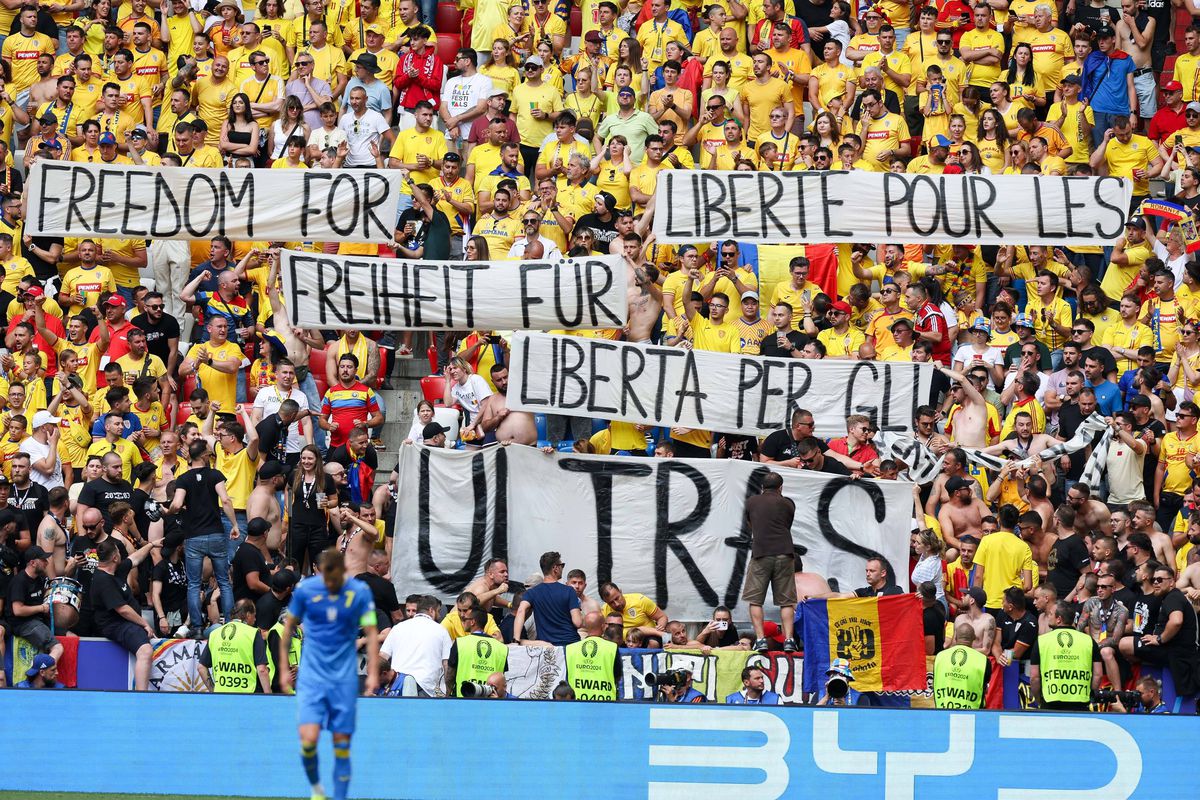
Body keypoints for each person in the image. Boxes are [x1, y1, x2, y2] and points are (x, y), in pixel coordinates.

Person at [279, 549, 378, 800]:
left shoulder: (359, 593)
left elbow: (372, 631)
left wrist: (374, 673)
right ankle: (316, 789)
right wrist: (282, 669)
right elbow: (288, 629)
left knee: (341, 744)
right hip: (312, 678)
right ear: (319, 572)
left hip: (343, 679)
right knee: (308, 740)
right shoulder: (305, 591)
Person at [91, 537, 158, 691]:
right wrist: (144, 623)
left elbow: (135, 558)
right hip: (117, 624)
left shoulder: (115, 570)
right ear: (115, 557)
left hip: (126, 622)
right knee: (145, 651)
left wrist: (152, 545)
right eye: (118, 552)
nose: (122, 555)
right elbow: (122, 609)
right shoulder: (103, 580)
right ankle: (141, 695)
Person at [742, 471, 798, 652]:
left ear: (762, 487)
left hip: (761, 553)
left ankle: (760, 640)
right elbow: (786, 525)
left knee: (755, 600)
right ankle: (789, 640)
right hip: (785, 552)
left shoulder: (752, 502)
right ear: (781, 487)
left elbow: (751, 524)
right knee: (786, 602)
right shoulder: (788, 504)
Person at [1030, 601, 1102, 710]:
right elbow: (1098, 675)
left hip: (1050, 702)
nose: (1048, 617)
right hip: (1081, 703)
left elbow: (1034, 678)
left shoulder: (1041, 641)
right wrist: (1089, 696)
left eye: (1050, 614)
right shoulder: (1089, 641)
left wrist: (1039, 700)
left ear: (1059, 619)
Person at [378, 593, 450, 698]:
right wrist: (446, 691)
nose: (439, 616)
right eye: (438, 611)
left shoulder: (398, 627)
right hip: (426, 689)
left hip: (397, 687)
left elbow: (382, 657)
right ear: (431, 610)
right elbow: (446, 664)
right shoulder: (441, 630)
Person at [198, 598, 271, 693]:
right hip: (248, 696)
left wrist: (213, 690)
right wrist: (269, 695)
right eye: (254, 615)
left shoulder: (215, 634)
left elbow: (201, 668)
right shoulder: (253, 633)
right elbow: (262, 670)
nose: (255, 619)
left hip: (222, 695)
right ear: (248, 615)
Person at [511, 551, 582, 646]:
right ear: (555, 568)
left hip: (546, 648)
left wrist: (516, 640)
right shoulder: (569, 591)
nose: (562, 568)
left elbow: (520, 611)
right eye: (562, 565)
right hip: (570, 645)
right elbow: (578, 622)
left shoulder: (532, 592)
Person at [446, 606, 508, 697]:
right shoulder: (501, 648)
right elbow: (501, 679)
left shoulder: (460, 643)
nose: (462, 622)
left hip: (463, 699)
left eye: (464, 619)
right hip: (490, 700)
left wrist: (448, 694)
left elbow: (450, 675)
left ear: (472, 622)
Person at [564, 610, 621, 700]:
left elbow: (566, 675)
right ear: (603, 626)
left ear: (586, 627)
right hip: (605, 702)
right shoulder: (612, 648)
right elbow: (617, 674)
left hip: (576, 702)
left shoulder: (570, 648)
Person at [932, 622, 991, 709]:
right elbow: (985, 689)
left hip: (942, 713)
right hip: (972, 716)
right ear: (974, 638)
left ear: (955, 638)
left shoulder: (940, 656)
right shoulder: (983, 660)